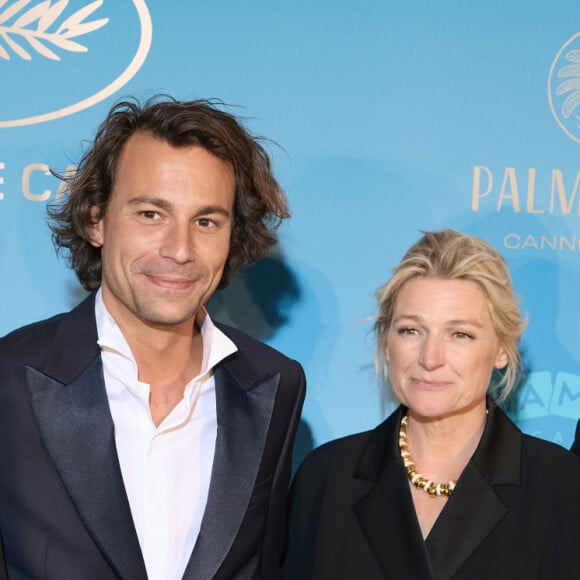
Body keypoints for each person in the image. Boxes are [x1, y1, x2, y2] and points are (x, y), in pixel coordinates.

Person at [0, 96, 306, 580]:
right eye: (150, 214)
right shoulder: (10, 379)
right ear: (95, 220)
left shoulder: (274, 385)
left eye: (206, 221)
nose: (180, 250)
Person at [285, 229, 580, 580]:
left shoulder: (562, 488)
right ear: (386, 341)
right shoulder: (325, 479)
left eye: (460, 334)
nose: (430, 357)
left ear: (502, 350)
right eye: (411, 330)